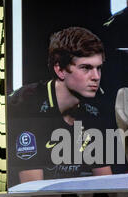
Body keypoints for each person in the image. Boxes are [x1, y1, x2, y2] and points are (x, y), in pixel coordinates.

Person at [8, 27, 113, 186]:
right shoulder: (26, 105)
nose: (96, 77)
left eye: (98, 68)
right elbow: (33, 192)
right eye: (86, 68)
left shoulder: (96, 110)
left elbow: (107, 184)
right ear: (60, 70)